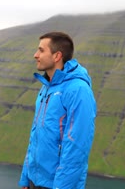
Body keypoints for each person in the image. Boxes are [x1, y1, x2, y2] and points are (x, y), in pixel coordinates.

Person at [19, 31, 97, 189]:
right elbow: (35, 135)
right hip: (36, 181)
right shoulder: (46, 87)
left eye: (41, 50)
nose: (35, 55)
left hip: (57, 184)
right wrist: (26, 176)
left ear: (57, 56)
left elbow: (77, 146)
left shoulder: (78, 90)